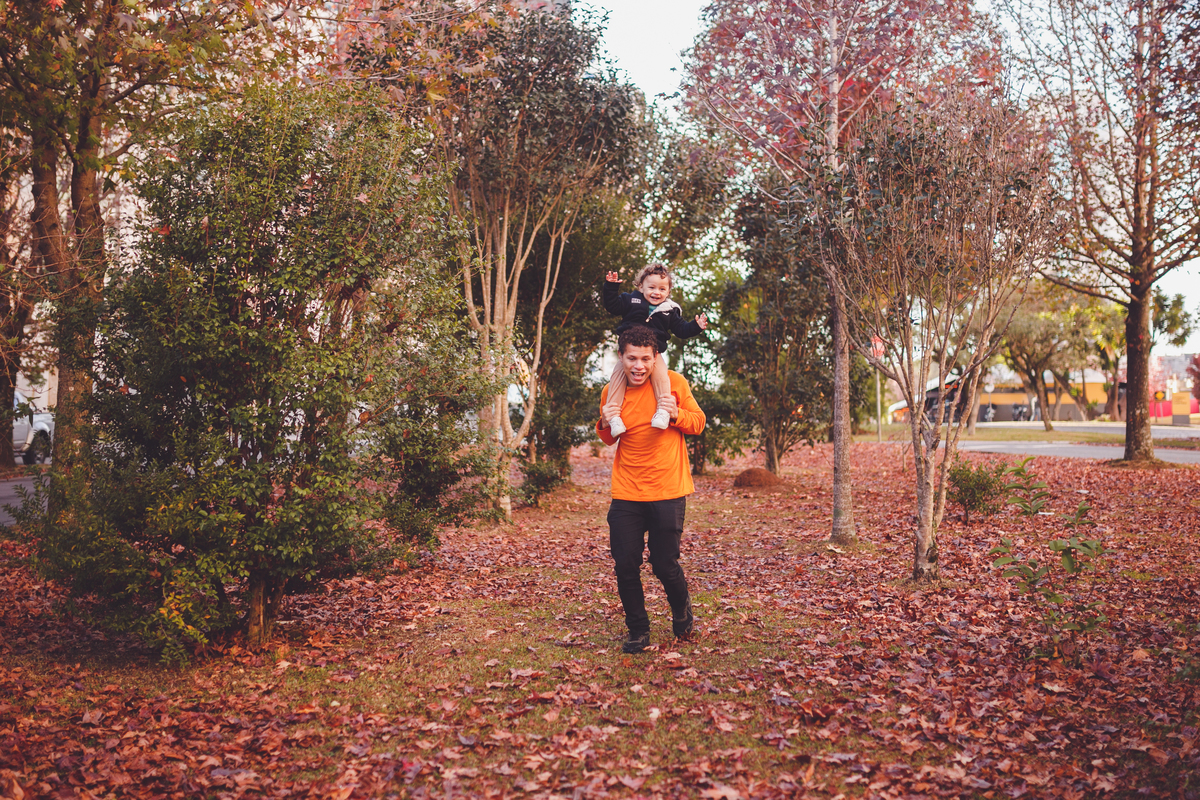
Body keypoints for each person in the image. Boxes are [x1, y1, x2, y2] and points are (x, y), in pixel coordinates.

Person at [596, 324, 706, 654]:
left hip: (668, 489)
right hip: (627, 491)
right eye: (632, 358)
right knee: (625, 563)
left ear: (656, 357)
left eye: (645, 358)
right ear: (621, 357)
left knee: (664, 564)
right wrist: (604, 420)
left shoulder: (674, 384)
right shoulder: (611, 391)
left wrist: (676, 415)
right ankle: (638, 629)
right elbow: (607, 436)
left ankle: (681, 608)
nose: (639, 366)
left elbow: (698, 422)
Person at [602, 263, 708, 436]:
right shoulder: (631, 300)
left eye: (662, 289)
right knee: (617, 378)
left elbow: (681, 330)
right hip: (630, 351)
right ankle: (614, 418)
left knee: (662, 377)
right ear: (640, 286)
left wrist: (696, 326)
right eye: (651, 287)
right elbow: (612, 306)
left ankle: (663, 411)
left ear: (668, 291)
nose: (656, 292)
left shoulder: (670, 310)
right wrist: (611, 287)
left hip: (653, 353)